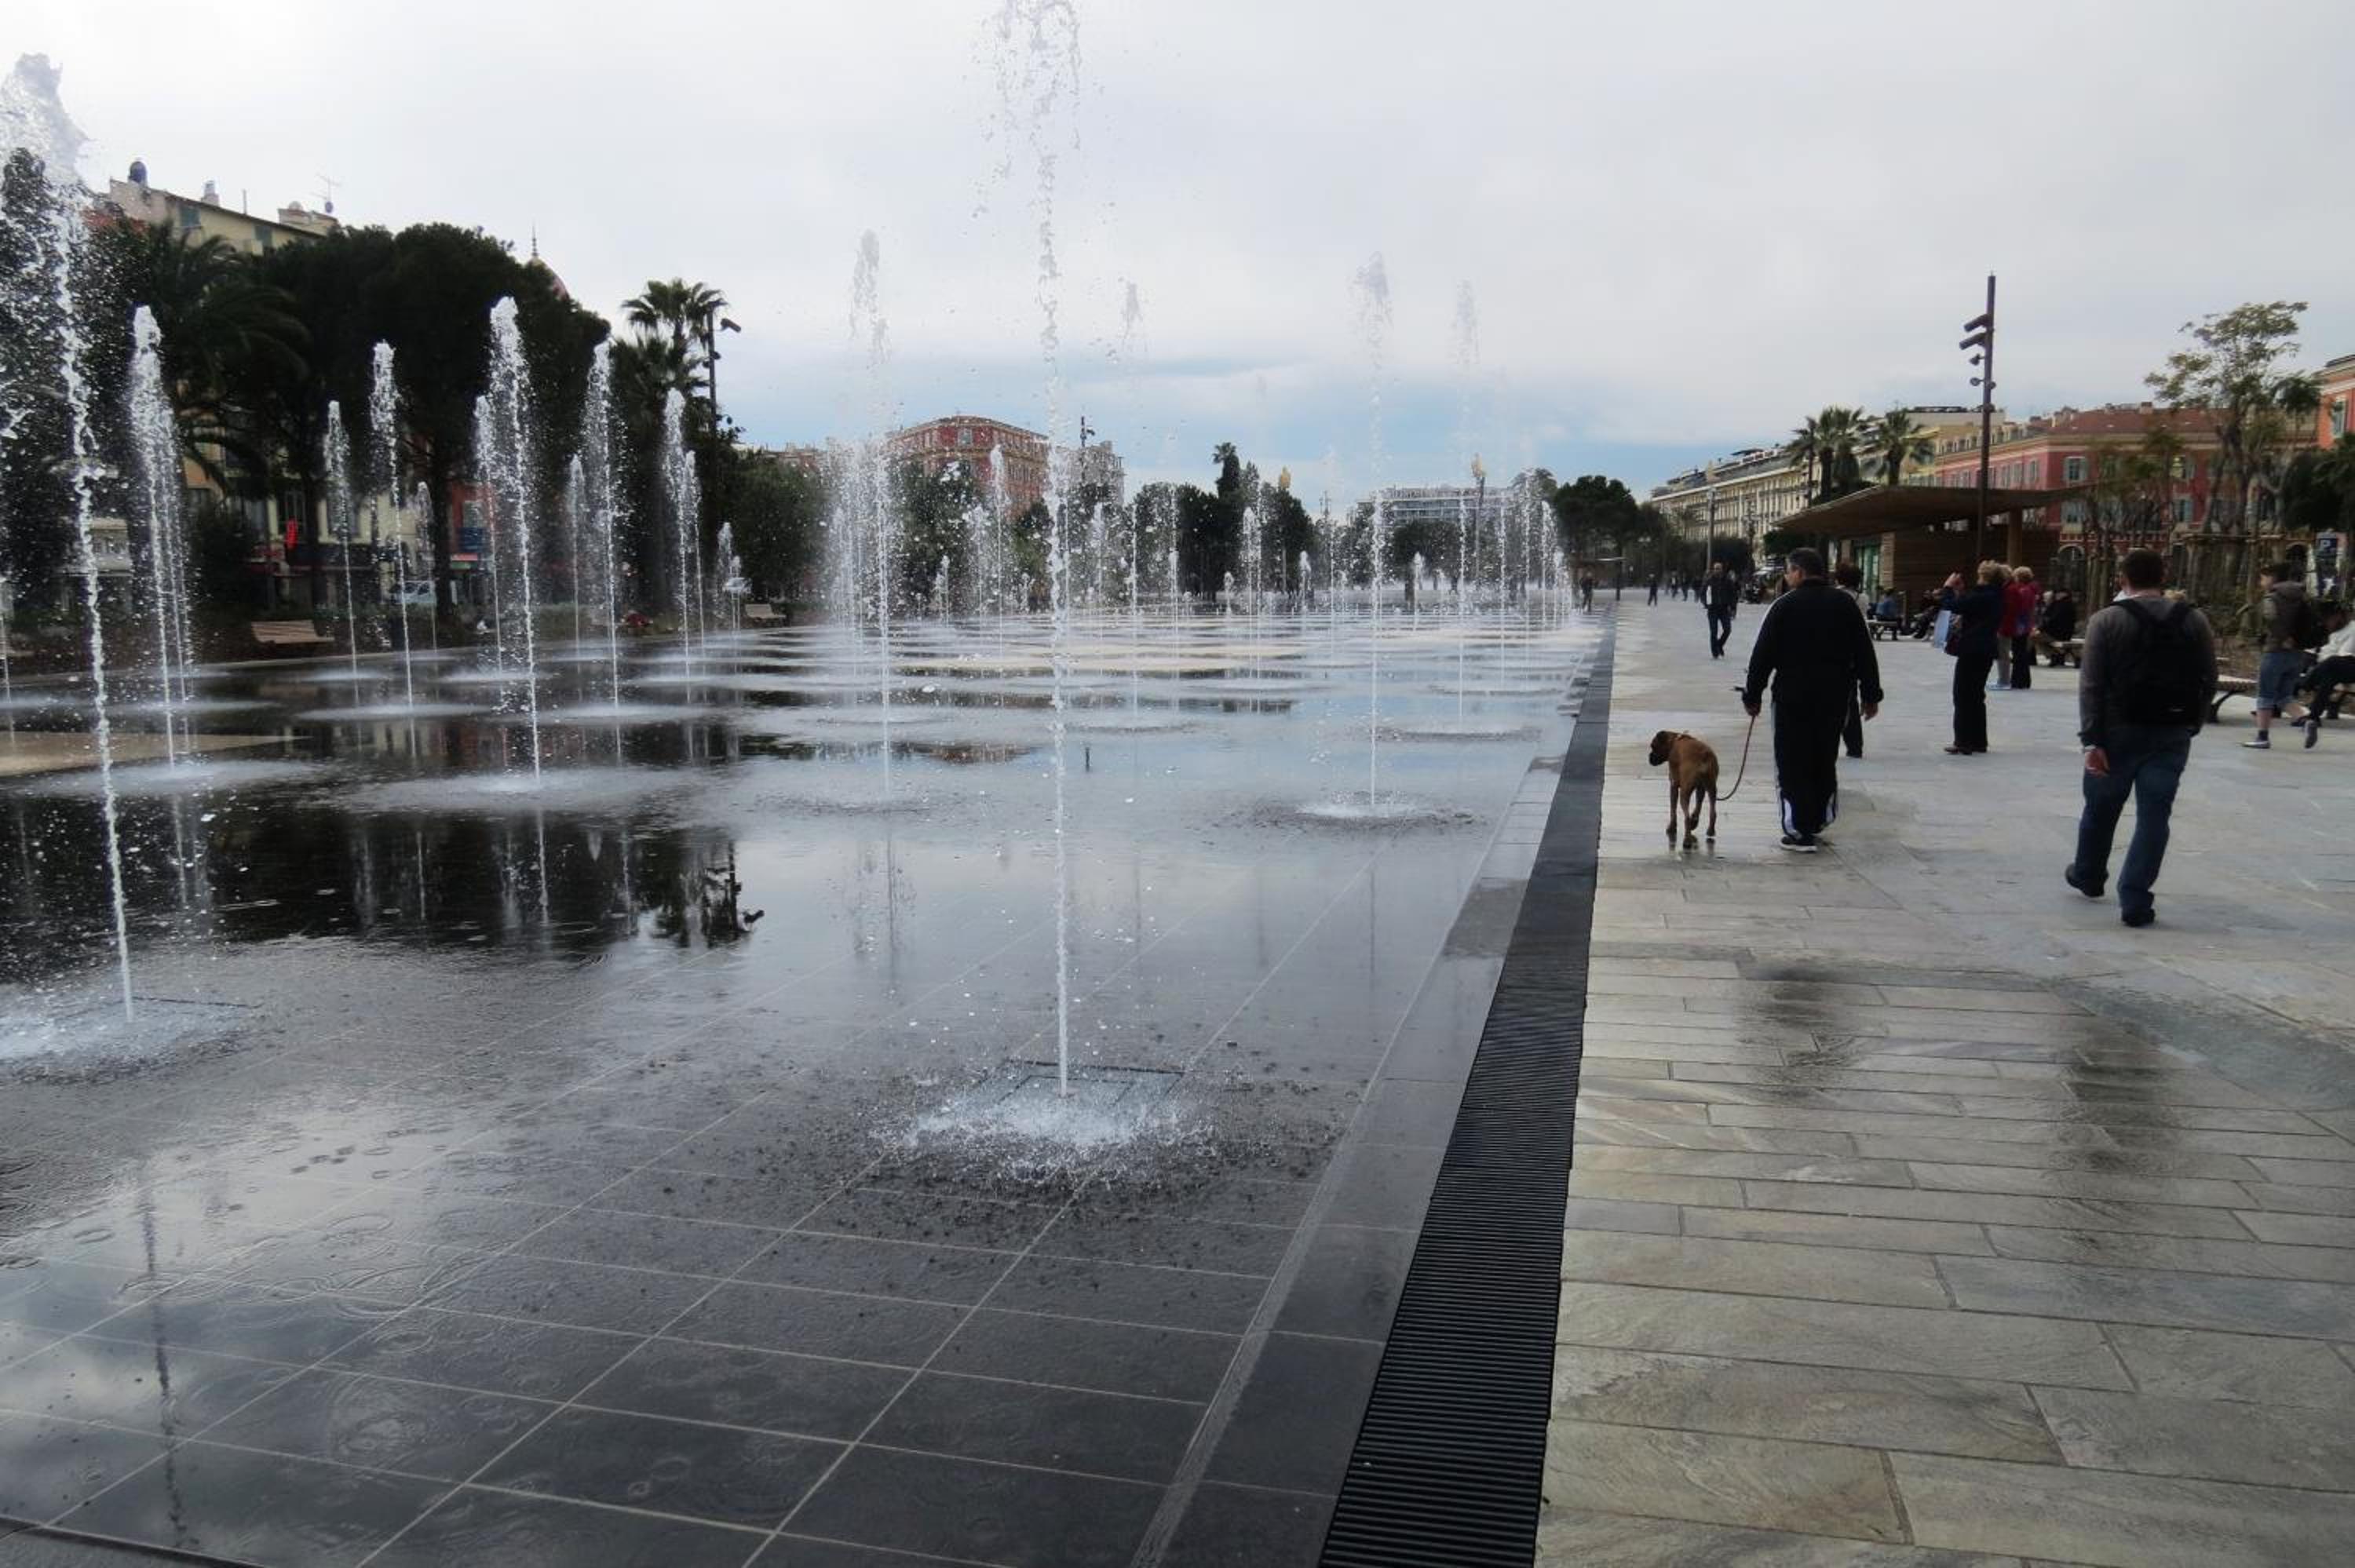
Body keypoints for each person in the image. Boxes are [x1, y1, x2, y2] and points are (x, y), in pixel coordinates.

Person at [2068, 548, 2218, 927]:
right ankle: (2135, 898)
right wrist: (2194, 722)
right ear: (2163, 577)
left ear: (2122, 579)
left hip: (2116, 731)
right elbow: (2209, 677)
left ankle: (2088, 874)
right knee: (2155, 816)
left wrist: (2091, 740)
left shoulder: (2106, 620)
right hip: (2172, 731)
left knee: (2101, 807)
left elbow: (2091, 685)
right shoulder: (2194, 619)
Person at [1742, 549, 1881, 853]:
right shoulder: (1845, 605)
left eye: (1788, 571)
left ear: (1799, 572)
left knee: (1792, 759)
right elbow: (1864, 652)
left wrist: (1753, 695)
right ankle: (1818, 819)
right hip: (1835, 696)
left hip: (1792, 696)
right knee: (1823, 756)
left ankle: (1799, 830)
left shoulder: (1784, 606)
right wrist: (1871, 695)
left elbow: (1762, 655)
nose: (1787, 577)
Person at [2246, 563, 2317, 749]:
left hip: (2275, 651)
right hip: (2298, 654)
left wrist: (2283, 638)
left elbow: (2271, 619)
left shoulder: (2272, 597)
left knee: (2265, 695)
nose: (2261, 582)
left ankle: (2262, 737)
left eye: (2263, 578)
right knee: (2284, 695)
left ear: (2272, 578)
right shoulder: (2302, 596)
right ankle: (2306, 721)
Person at [1944, 562, 2006, 755]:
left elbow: (1952, 606)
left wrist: (1948, 588)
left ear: (1984, 577)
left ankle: (1963, 741)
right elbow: (1969, 606)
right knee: (1976, 696)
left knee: (1963, 695)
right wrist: (1961, 592)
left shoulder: (1983, 595)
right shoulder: (1995, 595)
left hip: (1972, 649)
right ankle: (1978, 740)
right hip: (1986, 649)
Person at [2295, 602, 2353, 747]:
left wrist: (2323, 660)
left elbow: (2344, 655)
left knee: (2332, 662)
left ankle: (2305, 684)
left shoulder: (2353, 629)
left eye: (2330, 619)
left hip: (2350, 664)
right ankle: (2313, 717)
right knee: (2329, 678)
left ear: (2339, 616)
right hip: (2337, 667)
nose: (2328, 623)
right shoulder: (2334, 632)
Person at [1834, 560, 1871, 759]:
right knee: (1851, 699)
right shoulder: (1863, 598)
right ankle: (1855, 745)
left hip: (1838, 651)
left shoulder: (1836, 596)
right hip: (1857, 650)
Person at [2003, 565, 2039, 691]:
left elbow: (2021, 608)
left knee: (2018, 652)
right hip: (2025, 624)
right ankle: (2024, 680)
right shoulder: (2030, 590)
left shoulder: (2023, 591)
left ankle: (2018, 680)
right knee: (2021, 652)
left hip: (2020, 624)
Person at [1703, 561, 1739, 659]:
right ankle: (1715, 653)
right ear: (1713, 570)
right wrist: (1706, 604)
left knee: (1728, 629)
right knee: (1714, 632)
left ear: (1722, 570)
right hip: (1713, 610)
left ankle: (1719, 645)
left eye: (1719, 568)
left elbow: (1733, 595)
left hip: (1724, 610)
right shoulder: (1709, 581)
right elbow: (1703, 593)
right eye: (1716, 569)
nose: (1717, 570)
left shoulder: (1727, 581)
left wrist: (1733, 607)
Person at [2039, 586, 2079, 665]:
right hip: (2062, 632)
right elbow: (2048, 617)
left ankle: (2056, 654)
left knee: (2035, 636)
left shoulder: (2063, 605)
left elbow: (2054, 620)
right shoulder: (2061, 603)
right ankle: (2058, 654)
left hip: (2060, 633)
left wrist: (2040, 629)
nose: (2056, 595)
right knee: (2037, 636)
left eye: (2057, 593)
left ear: (2063, 594)